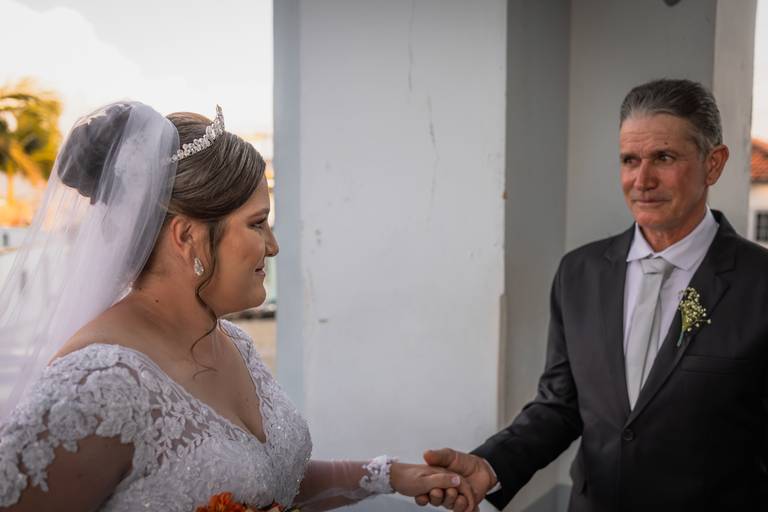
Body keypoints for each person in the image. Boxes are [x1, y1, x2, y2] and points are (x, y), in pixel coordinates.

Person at [0, 102, 476, 511]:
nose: (273, 246)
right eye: (257, 223)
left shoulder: (232, 343)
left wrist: (391, 475)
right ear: (187, 236)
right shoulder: (100, 387)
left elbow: (266, 479)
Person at [418, 79, 768, 511]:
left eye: (664, 158)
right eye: (629, 160)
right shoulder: (579, 273)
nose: (642, 180)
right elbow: (559, 406)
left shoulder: (759, 282)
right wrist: (490, 466)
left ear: (713, 164)